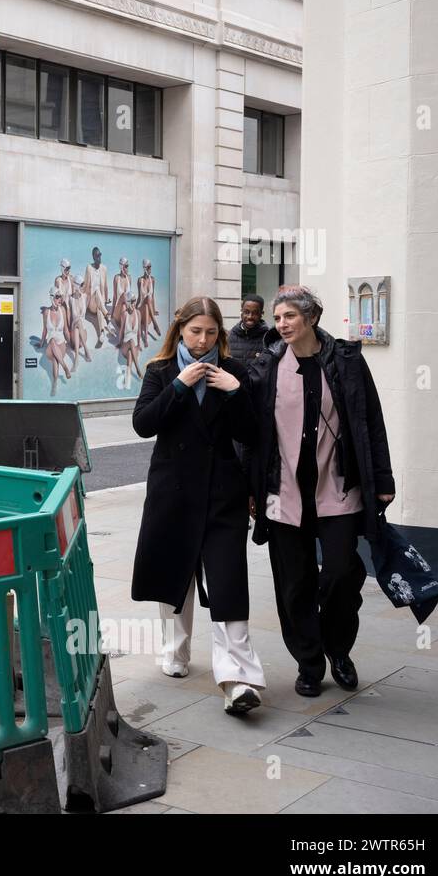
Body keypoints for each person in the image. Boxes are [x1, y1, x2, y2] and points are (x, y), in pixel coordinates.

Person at [243, 285, 395, 698]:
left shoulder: (345, 361)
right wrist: (251, 488)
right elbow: (252, 435)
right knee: (294, 584)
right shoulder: (267, 365)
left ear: (312, 318)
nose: (282, 324)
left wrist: (382, 480)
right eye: (278, 318)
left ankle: (339, 650)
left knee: (343, 575)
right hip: (284, 491)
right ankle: (309, 663)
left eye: (290, 316)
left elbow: (370, 422)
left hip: (337, 488)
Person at [131, 295, 265, 716]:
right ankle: (175, 651)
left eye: (210, 332)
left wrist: (237, 393)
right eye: (195, 331)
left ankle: (238, 679)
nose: (203, 340)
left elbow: (252, 433)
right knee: (175, 575)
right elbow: (143, 424)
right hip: (172, 489)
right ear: (180, 331)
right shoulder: (160, 370)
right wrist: (178, 386)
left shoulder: (235, 371)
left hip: (223, 490)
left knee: (228, 580)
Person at [229, 294, 269, 367]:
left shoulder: (268, 339)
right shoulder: (229, 336)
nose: (250, 316)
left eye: (255, 313)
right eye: (246, 312)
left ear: (262, 314)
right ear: (241, 312)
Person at [83, 246, 111, 346]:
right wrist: (82, 304)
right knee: (97, 291)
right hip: (92, 303)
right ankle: (108, 316)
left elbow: (106, 286)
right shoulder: (89, 268)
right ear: (93, 257)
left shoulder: (104, 268)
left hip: (100, 303)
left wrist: (107, 300)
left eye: (100, 255)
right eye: (97, 256)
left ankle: (102, 333)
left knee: (100, 308)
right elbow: (85, 286)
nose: (99, 257)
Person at [116, 291, 143, 383]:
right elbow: (121, 330)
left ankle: (127, 379)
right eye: (131, 301)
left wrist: (139, 344)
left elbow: (139, 331)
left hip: (134, 347)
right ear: (127, 302)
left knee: (131, 353)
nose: (134, 303)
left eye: (134, 300)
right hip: (125, 344)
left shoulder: (138, 313)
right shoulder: (124, 314)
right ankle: (138, 369)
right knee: (131, 341)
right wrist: (119, 343)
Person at [137, 259, 162, 347]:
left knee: (148, 303)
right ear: (144, 268)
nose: (150, 269)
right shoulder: (140, 280)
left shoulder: (153, 280)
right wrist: (135, 309)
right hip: (141, 309)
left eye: (150, 266)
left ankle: (146, 339)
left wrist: (154, 310)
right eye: (148, 267)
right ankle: (155, 324)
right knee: (147, 298)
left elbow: (153, 296)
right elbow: (139, 297)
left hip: (148, 313)